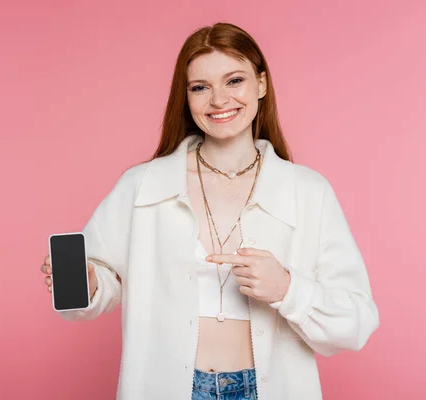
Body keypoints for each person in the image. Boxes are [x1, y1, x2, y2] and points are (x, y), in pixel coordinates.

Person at [40, 22, 379, 400]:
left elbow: (357, 321)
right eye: (200, 87)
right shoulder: (144, 184)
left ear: (261, 85)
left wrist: (287, 287)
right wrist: (89, 285)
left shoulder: (309, 191)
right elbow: (99, 283)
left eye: (234, 81)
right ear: (186, 98)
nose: (219, 100)